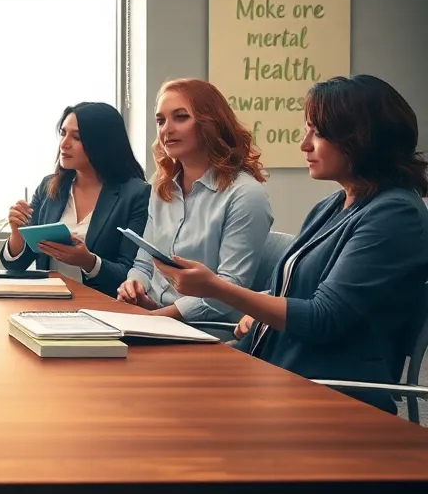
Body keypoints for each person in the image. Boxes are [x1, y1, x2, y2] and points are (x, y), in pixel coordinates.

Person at [161, 75, 428, 416]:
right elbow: (287, 294)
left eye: (318, 132)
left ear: (360, 138)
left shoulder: (396, 215)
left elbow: (323, 318)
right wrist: (257, 313)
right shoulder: (333, 205)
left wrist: (216, 288)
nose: (304, 145)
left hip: (323, 392)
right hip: (273, 366)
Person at [116, 79, 273, 322]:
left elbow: (228, 290)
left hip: (209, 332)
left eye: (180, 117)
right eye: (161, 120)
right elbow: (144, 263)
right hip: (157, 319)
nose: (166, 129)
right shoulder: (162, 188)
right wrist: (134, 286)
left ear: (210, 123)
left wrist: (158, 318)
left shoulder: (245, 194)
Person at [0, 102, 150, 296]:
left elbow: (133, 275)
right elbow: (17, 265)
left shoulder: (136, 194)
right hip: (49, 303)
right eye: (63, 133)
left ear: (103, 143)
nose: (64, 144)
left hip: (103, 308)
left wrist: (88, 262)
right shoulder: (49, 188)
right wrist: (17, 233)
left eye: (77, 137)